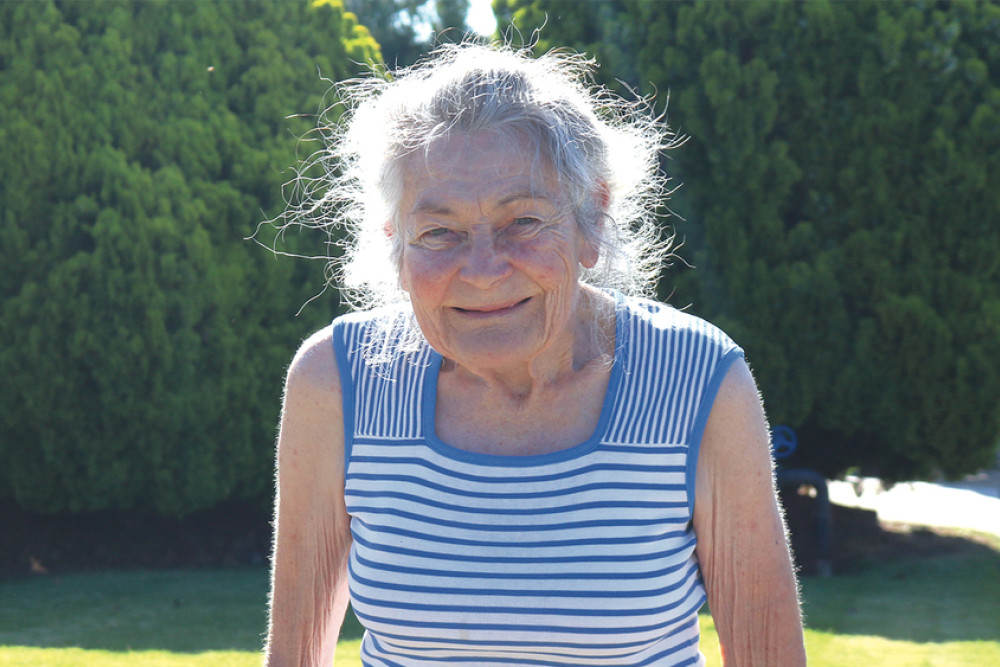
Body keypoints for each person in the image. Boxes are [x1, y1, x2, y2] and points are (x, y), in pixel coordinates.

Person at [264, 42, 806, 666]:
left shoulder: (696, 380)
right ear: (396, 245)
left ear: (592, 220)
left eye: (523, 221)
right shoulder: (338, 381)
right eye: (439, 232)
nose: (484, 269)